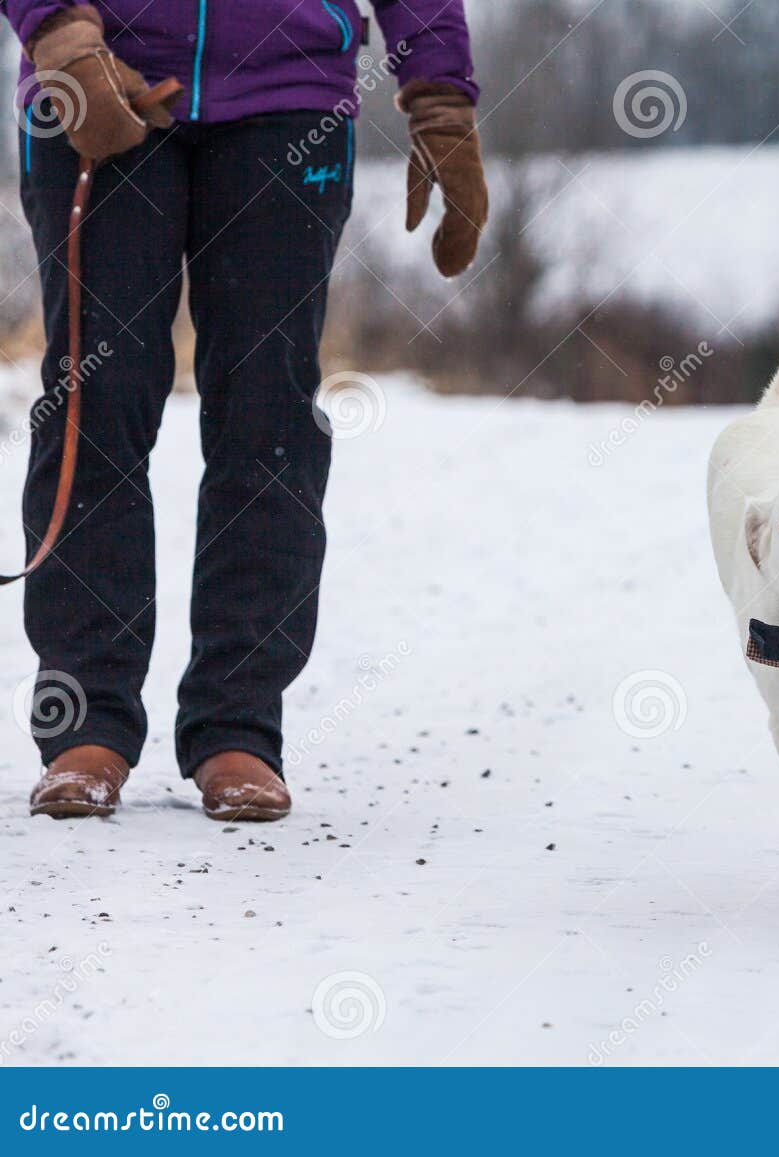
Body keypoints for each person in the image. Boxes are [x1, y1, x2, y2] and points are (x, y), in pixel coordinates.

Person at [2, 1, 488, 821]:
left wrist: (439, 92)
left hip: (287, 95)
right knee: (97, 395)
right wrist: (56, 27)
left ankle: (240, 726)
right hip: (104, 79)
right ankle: (85, 724)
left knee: (267, 408)